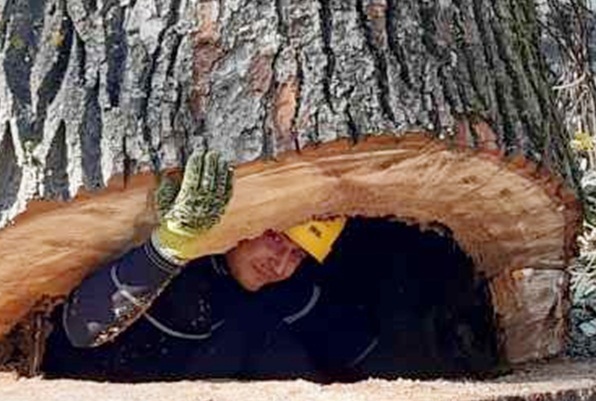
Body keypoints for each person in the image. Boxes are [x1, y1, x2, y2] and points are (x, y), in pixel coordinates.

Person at [41, 150, 500, 382]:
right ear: (248, 224)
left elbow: (363, 354)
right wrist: (170, 245)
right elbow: (81, 330)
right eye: (278, 239)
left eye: (299, 255)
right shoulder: (187, 273)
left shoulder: (288, 295)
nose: (282, 263)